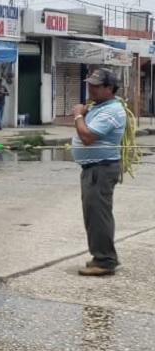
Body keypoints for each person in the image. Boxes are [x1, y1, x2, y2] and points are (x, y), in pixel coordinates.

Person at [72, 68, 127, 277]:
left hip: (100, 169)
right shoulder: (99, 106)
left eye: (96, 85)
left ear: (109, 88)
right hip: (94, 168)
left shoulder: (111, 110)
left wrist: (78, 114)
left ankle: (104, 261)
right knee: (94, 214)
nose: (91, 88)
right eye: (90, 84)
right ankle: (101, 256)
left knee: (98, 216)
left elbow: (87, 137)